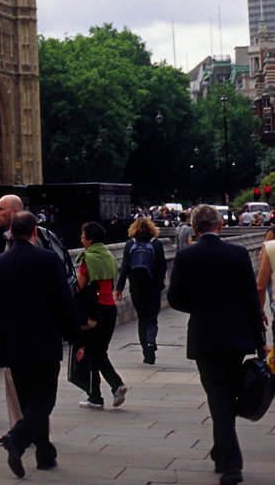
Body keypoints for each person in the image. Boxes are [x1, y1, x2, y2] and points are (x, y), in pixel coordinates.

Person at [0, 211, 85, 478]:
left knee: (28, 402)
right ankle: (18, 438)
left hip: (10, 346)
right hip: (42, 341)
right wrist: (76, 338)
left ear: (11, 233)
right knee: (44, 400)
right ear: (35, 231)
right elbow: (64, 303)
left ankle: (45, 453)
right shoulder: (48, 260)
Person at [168, 203, 266, 485]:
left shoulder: (186, 255)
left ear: (195, 229)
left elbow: (174, 298)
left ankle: (231, 463)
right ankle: (221, 451)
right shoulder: (237, 254)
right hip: (237, 337)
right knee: (225, 395)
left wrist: (200, 309)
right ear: (219, 226)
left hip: (205, 336)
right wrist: (261, 343)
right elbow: (250, 298)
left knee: (218, 396)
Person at [76, 220, 127, 410]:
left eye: (82, 237)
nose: (81, 241)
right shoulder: (108, 256)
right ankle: (95, 396)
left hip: (94, 312)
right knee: (98, 352)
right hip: (110, 309)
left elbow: (78, 287)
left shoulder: (88, 259)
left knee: (92, 354)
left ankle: (112, 387)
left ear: (90, 239)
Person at [115, 214, 166, 363]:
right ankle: (151, 343)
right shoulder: (156, 244)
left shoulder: (130, 244)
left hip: (136, 288)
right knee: (152, 319)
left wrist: (119, 288)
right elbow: (162, 267)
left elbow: (124, 267)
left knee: (142, 319)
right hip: (153, 287)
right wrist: (160, 283)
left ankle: (146, 352)